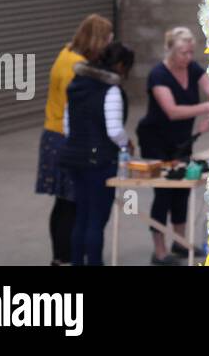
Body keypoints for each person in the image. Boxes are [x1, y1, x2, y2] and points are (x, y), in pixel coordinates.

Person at [136, 27, 209, 265]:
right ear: (170, 51)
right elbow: (172, 111)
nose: (187, 58)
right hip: (156, 140)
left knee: (182, 191)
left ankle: (179, 242)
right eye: (183, 53)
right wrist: (207, 109)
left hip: (182, 139)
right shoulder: (158, 75)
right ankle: (160, 250)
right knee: (163, 192)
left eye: (190, 53)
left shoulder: (192, 68)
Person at [36, 13, 112, 266]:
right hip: (65, 137)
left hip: (52, 134)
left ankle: (59, 257)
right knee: (72, 203)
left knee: (63, 202)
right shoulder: (76, 67)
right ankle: (66, 256)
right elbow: (79, 107)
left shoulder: (65, 53)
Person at [59, 42, 135, 266]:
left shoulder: (76, 84)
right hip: (100, 161)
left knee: (81, 215)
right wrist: (126, 144)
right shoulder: (110, 90)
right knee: (97, 219)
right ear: (120, 65)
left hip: (74, 157)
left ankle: (76, 262)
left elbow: (66, 126)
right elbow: (114, 130)